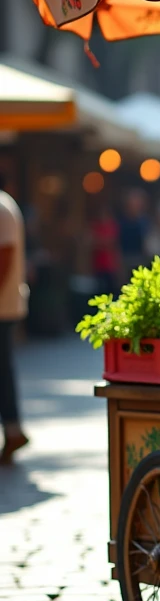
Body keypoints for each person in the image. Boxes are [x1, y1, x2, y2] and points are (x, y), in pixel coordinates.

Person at [0, 174, 29, 463]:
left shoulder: (2, 207)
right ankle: (12, 429)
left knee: (3, 369)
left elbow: (4, 257)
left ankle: (13, 428)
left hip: (3, 305)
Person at [118, 189, 150, 281]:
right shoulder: (121, 222)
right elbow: (117, 244)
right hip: (125, 262)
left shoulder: (145, 222)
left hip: (141, 263)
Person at [90, 205, 121, 295]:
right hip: (98, 266)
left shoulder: (112, 226)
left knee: (111, 292)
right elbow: (92, 242)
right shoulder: (96, 226)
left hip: (110, 266)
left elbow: (112, 243)